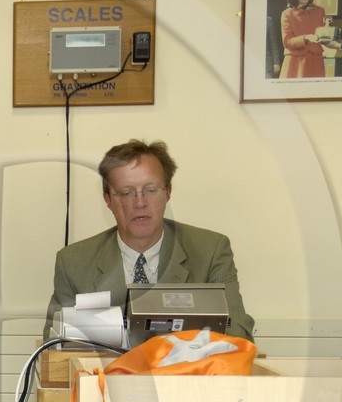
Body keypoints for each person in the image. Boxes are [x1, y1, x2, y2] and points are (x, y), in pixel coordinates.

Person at [47, 139, 254, 342]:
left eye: (151, 190)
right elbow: (54, 345)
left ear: (168, 192)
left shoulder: (210, 251)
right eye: (126, 193)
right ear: (108, 200)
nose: (140, 203)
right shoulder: (73, 263)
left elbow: (238, 334)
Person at [278, 0, 327, 79]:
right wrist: (305, 38)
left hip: (315, 61)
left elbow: (324, 36)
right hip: (295, 63)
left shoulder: (320, 11)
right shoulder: (287, 14)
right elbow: (287, 41)